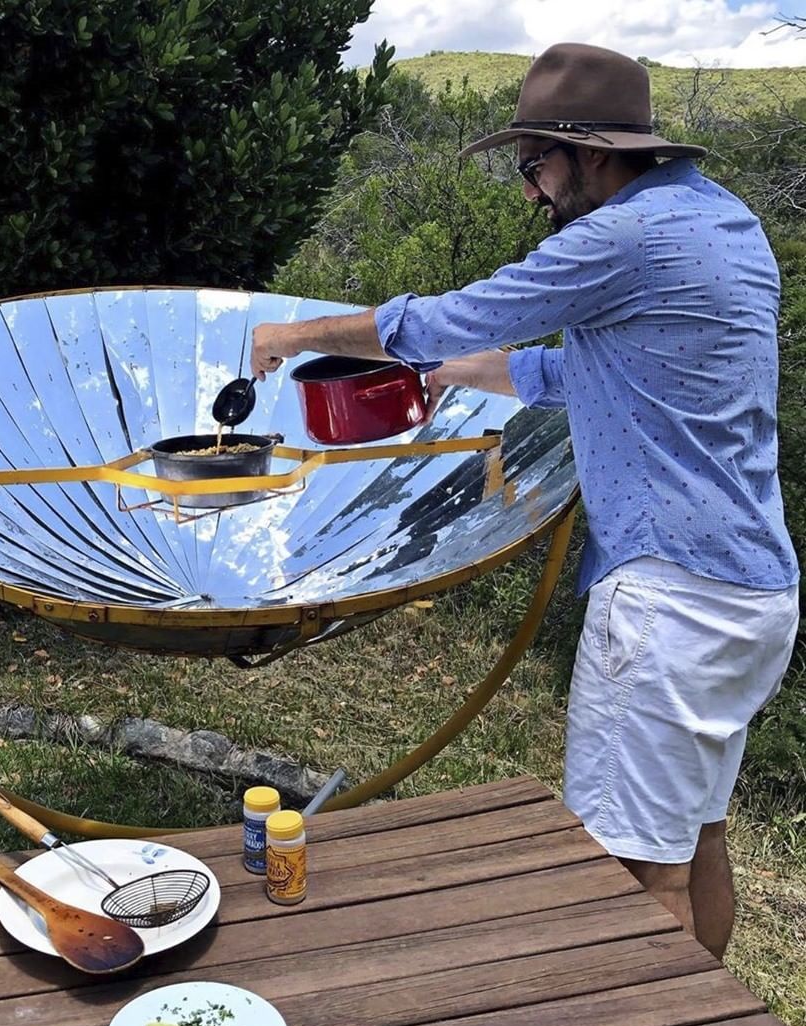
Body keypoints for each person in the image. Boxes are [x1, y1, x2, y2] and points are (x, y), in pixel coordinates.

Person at [250, 43, 799, 961]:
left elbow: (445, 319)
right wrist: (434, 377)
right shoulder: (720, 221)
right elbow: (569, 368)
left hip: (669, 605)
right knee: (698, 838)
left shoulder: (622, 236)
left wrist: (294, 332)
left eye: (533, 165)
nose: (530, 191)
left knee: (636, 876)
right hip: (753, 594)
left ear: (589, 151)